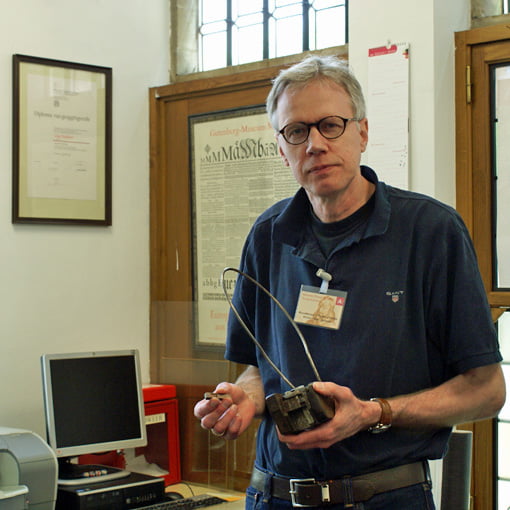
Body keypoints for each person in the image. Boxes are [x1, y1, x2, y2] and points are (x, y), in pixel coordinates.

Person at [194, 54, 506, 509]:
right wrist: (245, 399)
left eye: (331, 125)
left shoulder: (430, 232)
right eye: (297, 131)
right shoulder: (268, 235)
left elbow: (487, 390)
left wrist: (374, 413)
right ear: (282, 150)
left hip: (384, 497)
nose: (315, 144)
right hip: (275, 494)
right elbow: (258, 368)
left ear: (362, 132)